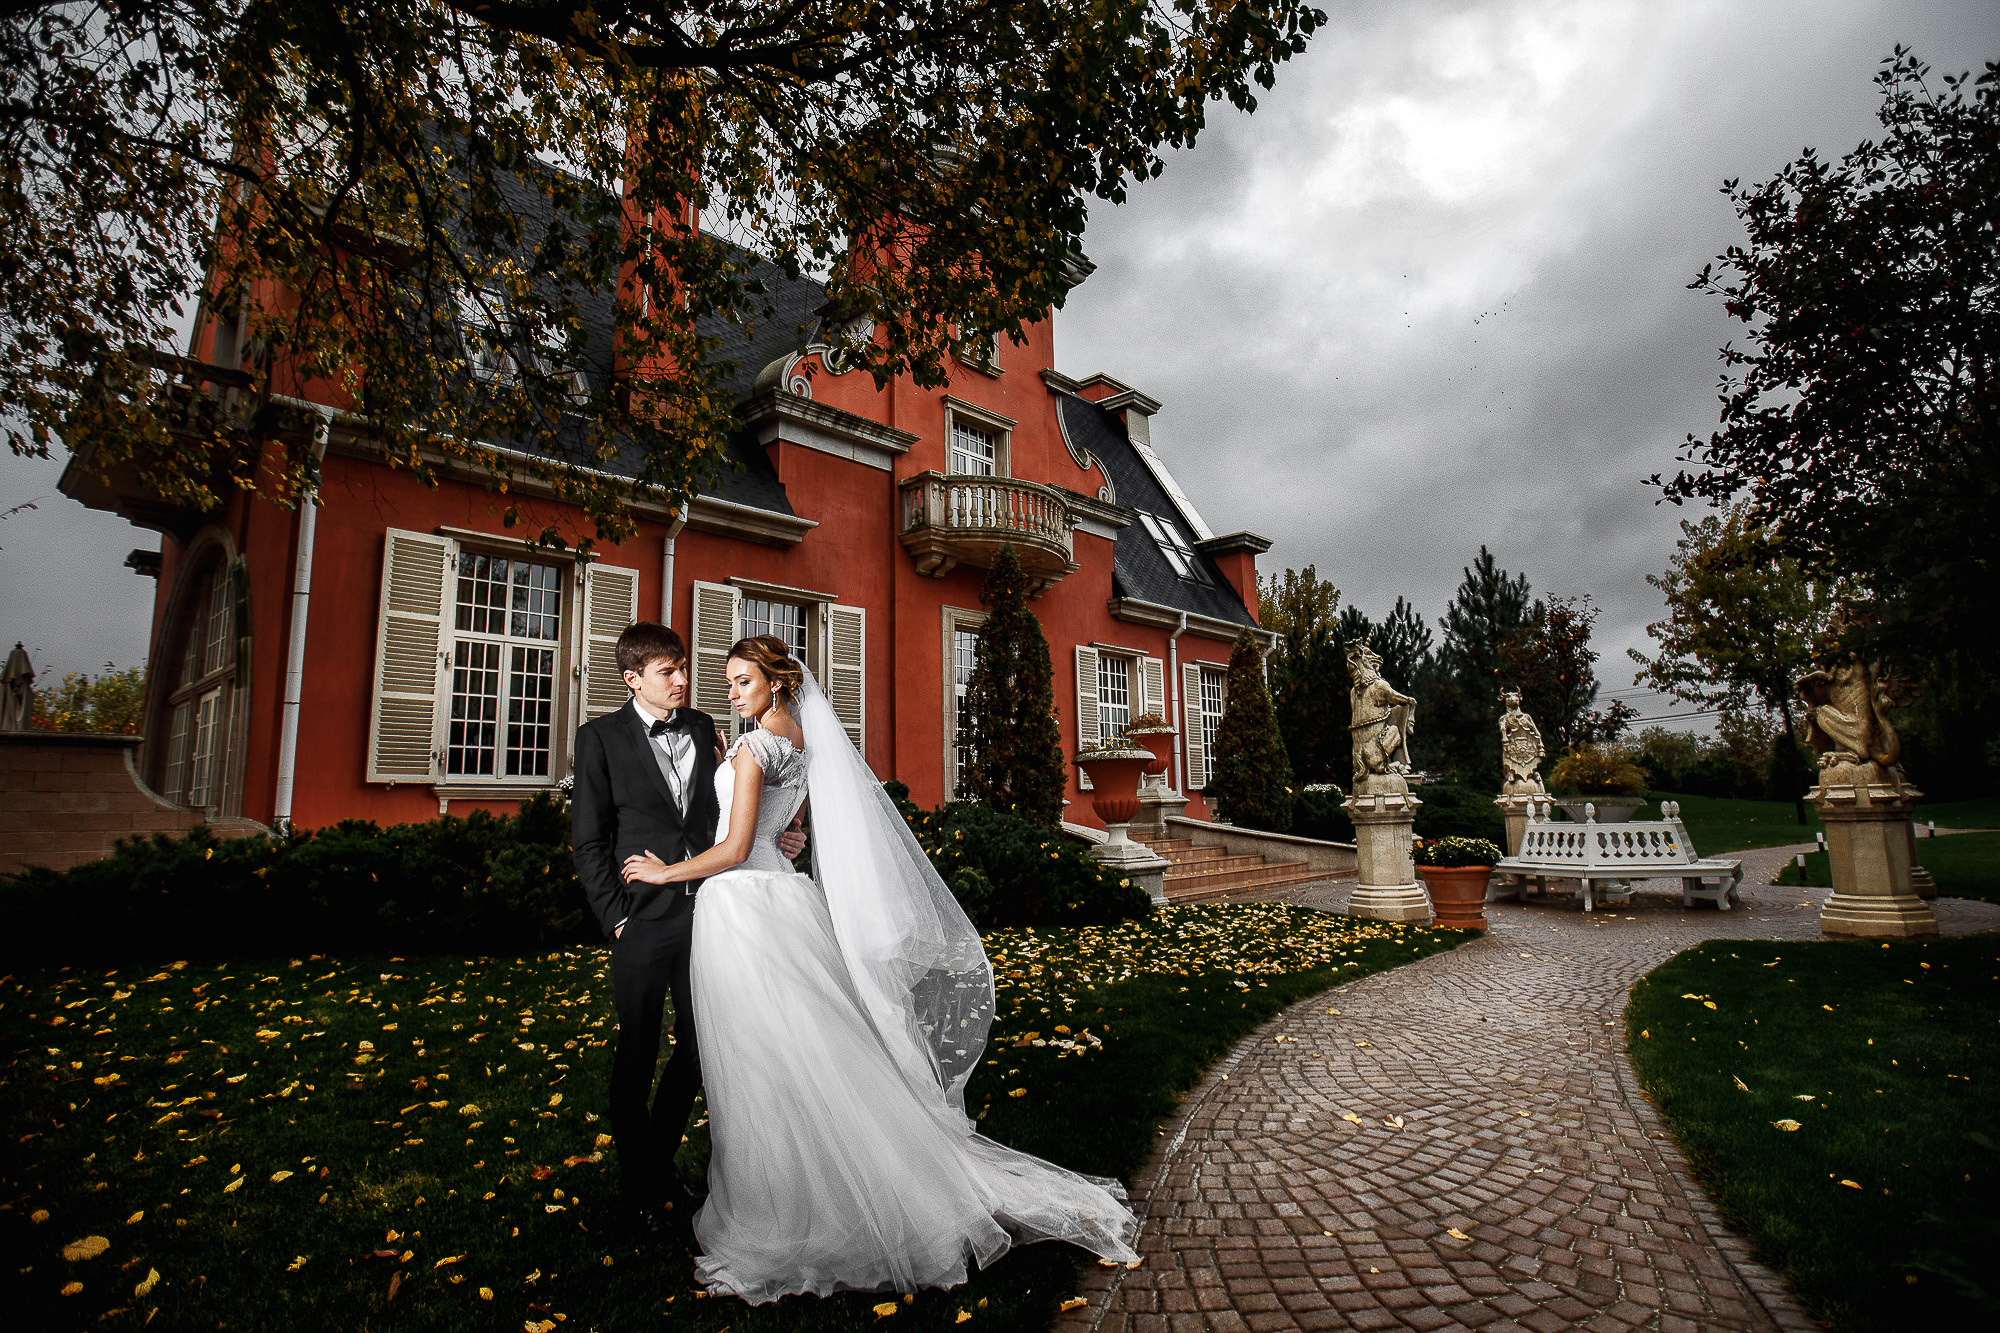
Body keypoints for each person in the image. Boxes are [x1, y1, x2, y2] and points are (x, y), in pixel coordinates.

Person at [619, 635, 1140, 1302]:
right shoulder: (799, 743)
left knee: (757, 1061)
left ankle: (782, 1207)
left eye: (742, 681)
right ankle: (833, 1177)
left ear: (775, 684)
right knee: (805, 1051)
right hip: (783, 897)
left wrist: (665, 871)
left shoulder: (753, 745)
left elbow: (735, 848)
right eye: (728, 682)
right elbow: (781, 830)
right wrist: (776, 829)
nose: (730, 692)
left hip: (745, 909)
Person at [569, 622, 805, 1243]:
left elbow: (726, 815)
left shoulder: (705, 728)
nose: (682, 680)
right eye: (667, 672)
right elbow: (589, 840)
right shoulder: (599, 739)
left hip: (714, 913)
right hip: (641, 922)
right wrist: (616, 916)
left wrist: (773, 837)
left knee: (698, 1051)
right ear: (632, 679)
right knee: (638, 1054)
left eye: (682, 668)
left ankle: (656, 1171)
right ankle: (639, 1188)